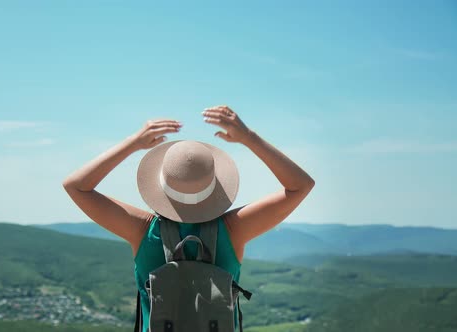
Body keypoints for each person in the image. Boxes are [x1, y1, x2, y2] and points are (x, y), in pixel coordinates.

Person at [62, 105, 315, 331]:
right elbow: (300, 186)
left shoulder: (141, 229)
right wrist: (249, 138)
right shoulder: (234, 229)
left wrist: (133, 142)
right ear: (215, 186)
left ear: (160, 186)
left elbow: (76, 186)